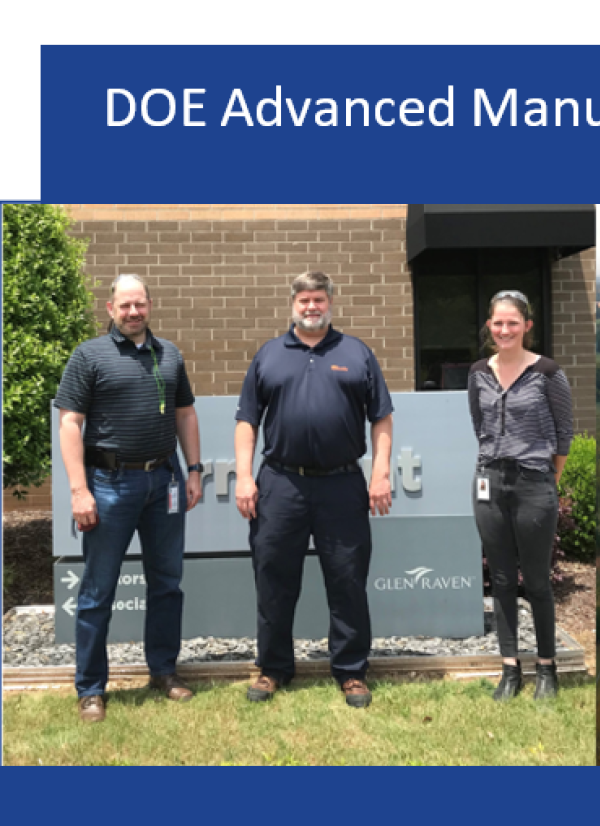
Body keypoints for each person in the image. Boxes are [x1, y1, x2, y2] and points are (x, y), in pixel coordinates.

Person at [233, 272, 394, 708]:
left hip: (342, 484)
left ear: (330, 303)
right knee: (274, 580)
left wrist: (380, 473)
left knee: (347, 580)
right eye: (304, 300)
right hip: (280, 483)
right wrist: (244, 477)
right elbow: (247, 420)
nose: (311, 307)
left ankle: (350, 670)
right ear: (293, 304)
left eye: (318, 299)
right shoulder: (269, 355)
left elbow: (381, 418)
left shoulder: (356, 353)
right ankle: (273, 668)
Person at [55, 274, 203, 723]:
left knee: (167, 583)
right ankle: (91, 689)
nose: (133, 313)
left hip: (164, 482)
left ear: (150, 305)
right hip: (108, 485)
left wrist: (194, 471)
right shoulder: (89, 355)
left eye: (140, 304)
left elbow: (185, 413)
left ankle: (164, 671)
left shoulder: (169, 354)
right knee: (98, 589)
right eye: (125, 306)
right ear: (110, 308)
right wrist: (79, 490)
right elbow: (69, 423)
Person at [468, 290, 574, 701]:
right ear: (489, 327)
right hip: (489, 484)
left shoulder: (548, 372)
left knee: (536, 581)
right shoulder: (478, 372)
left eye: (513, 322)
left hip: (534, 483)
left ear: (527, 326)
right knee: (501, 579)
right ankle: (510, 669)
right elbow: (479, 427)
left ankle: (547, 669)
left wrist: (549, 477)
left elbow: (564, 433)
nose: (505, 330)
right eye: (498, 323)